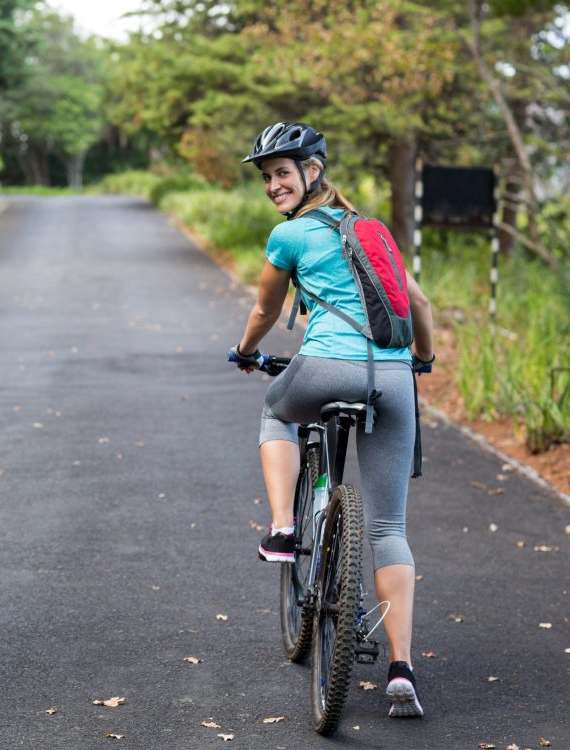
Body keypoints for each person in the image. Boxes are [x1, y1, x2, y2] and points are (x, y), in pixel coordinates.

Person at [230, 121, 434, 719]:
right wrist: (421, 359)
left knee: (275, 412)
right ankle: (401, 669)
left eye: (283, 173)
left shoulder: (288, 236)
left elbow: (267, 307)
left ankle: (286, 527)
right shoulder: (373, 230)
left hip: (324, 368)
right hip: (394, 380)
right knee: (388, 526)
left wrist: (245, 352)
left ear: (312, 172)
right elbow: (419, 303)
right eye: (267, 177)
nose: (273, 185)